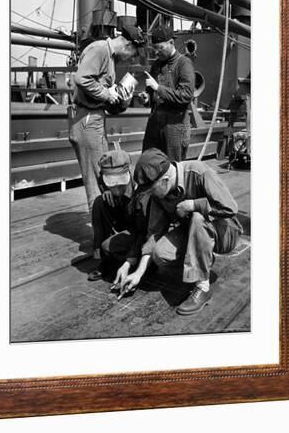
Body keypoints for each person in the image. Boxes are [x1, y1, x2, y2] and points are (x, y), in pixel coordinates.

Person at [119, 148, 243, 315]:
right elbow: (154, 233)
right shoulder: (159, 195)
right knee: (160, 253)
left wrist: (193, 205)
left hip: (225, 232)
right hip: (193, 232)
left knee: (198, 218)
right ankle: (202, 258)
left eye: (151, 189)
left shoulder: (199, 172)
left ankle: (203, 287)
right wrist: (138, 273)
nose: (150, 194)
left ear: (165, 179)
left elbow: (230, 207)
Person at [69, 26, 146, 212]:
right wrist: (107, 94)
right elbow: (82, 78)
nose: (131, 59)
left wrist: (121, 96)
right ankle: (100, 232)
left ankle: (103, 225)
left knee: (103, 173)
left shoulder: (109, 56)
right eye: (133, 54)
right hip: (87, 118)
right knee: (96, 180)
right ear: (128, 45)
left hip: (95, 118)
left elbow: (97, 87)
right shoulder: (100, 49)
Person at [87, 148, 147, 280]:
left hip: (141, 233)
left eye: (120, 183)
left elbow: (143, 231)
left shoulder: (140, 191)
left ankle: (137, 263)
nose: (116, 187)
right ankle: (104, 259)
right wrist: (106, 191)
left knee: (112, 246)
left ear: (128, 174)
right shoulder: (107, 188)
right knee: (99, 203)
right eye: (111, 183)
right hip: (124, 227)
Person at [141, 26, 195, 161]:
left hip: (175, 127)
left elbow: (186, 96)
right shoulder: (156, 65)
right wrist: (146, 98)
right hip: (155, 124)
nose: (156, 53)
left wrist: (158, 88)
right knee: (149, 162)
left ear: (171, 43)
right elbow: (152, 93)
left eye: (160, 48)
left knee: (172, 169)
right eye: (154, 49)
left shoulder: (184, 64)